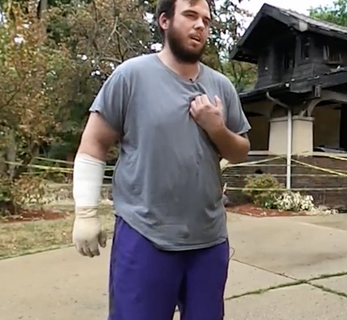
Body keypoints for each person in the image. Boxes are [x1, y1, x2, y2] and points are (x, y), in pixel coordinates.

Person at [70, 0, 251, 319]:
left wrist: (216, 127)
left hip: (208, 240)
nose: (200, 26)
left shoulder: (220, 86)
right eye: (191, 16)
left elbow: (239, 151)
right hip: (145, 236)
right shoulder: (131, 76)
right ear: (165, 20)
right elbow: (93, 144)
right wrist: (85, 211)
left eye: (206, 21)